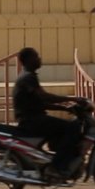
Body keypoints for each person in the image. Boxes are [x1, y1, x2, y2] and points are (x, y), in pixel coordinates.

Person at [13, 47, 83, 180]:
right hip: (32, 120)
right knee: (72, 128)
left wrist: (65, 108)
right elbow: (44, 97)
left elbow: (39, 103)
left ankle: (56, 159)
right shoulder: (27, 78)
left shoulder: (29, 76)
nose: (39, 59)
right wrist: (72, 99)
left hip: (34, 117)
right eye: (36, 56)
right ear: (28, 60)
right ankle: (56, 167)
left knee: (61, 129)